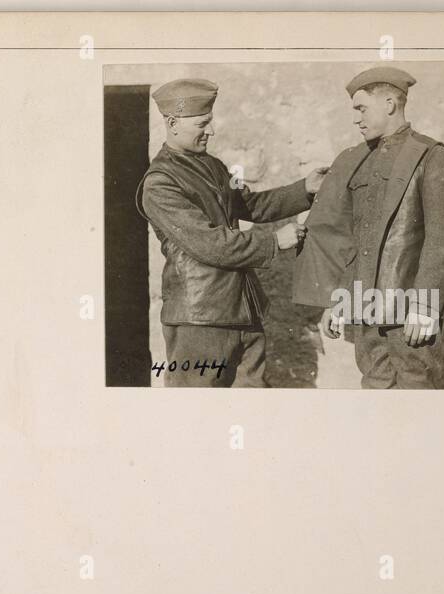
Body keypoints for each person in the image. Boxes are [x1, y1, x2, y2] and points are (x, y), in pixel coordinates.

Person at [136, 78, 325, 387]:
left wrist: (305, 189)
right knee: (197, 415)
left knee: (250, 408)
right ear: (172, 123)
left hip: (243, 314)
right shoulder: (160, 184)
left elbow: (252, 205)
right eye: (202, 124)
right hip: (199, 321)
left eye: (210, 122)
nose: (211, 131)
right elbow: (210, 244)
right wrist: (274, 241)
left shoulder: (213, 167)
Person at [294, 66, 444, 389]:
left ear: (389, 104)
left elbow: (442, 239)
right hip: (364, 305)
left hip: (409, 310)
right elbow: (351, 240)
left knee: (414, 389)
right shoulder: (356, 161)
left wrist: (425, 305)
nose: (356, 119)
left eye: (361, 109)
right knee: (374, 389)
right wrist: (338, 300)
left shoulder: (430, 156)